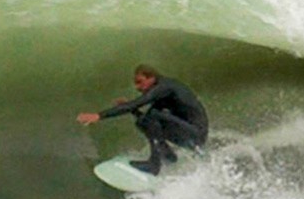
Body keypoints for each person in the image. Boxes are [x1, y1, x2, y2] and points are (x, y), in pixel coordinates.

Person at [77, 64, 209, 175]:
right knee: (144, 120)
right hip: (190, 135)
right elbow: (149, 121)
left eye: (140, 82)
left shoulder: (165, 87)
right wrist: (133, 111)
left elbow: (137, 103)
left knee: (152, 116)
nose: (137, 87)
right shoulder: (163, 94)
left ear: (151, 78)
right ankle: (168, 157)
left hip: (196, 134)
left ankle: (154, 164)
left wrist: (99, 116)